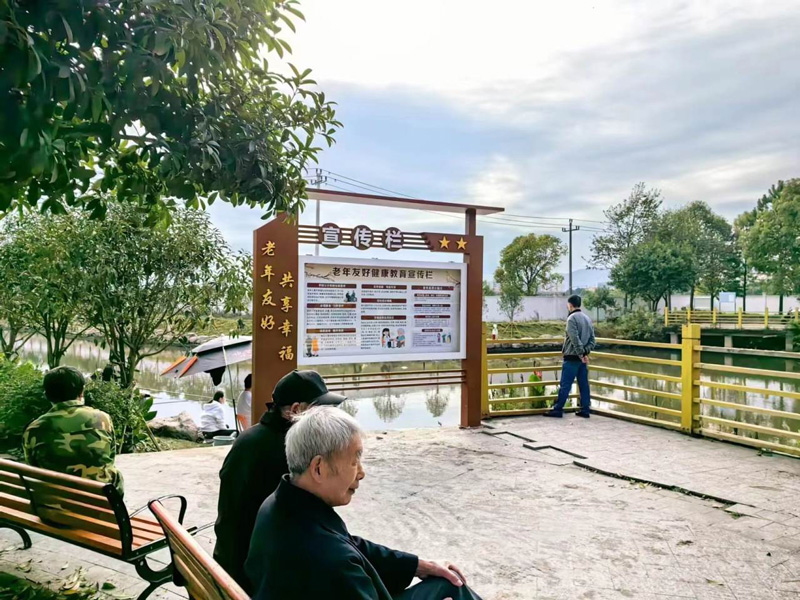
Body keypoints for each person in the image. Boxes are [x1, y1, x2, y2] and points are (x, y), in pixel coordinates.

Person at [245, 406, 484, 600]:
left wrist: (419, 565)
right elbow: (343, 554)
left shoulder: (279, 505)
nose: (361, 473)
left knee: (446, 581)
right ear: (318, 468)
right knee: (453, 587)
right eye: (354, 461)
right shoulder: (331, 561)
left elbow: (352, 545)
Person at [213, 370, 346, 590]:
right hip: (254, 577)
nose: (327, 416)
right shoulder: (288, 453)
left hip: (229, 562)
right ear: (295, 410)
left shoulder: (251, 437)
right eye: (320, 409)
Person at [23, 366, 124, 496]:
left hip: (53, 502)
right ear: (81, 392)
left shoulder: (33, 429)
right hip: (98, 501)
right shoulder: (102, 419)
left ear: (47, 395)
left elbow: (33, 467)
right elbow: (110, 458)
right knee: (117, 476)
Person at [544, 294, 596, 418]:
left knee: (565, 385)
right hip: (582, 359)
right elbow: (592, 340)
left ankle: (558, 409)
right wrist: (585, 353)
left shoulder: (571, 319)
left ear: (570, 305)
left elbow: (574, 339)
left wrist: (581, 353)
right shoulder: (587, 319)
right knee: (583, 385)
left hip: (572, 357)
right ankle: (585, 409)